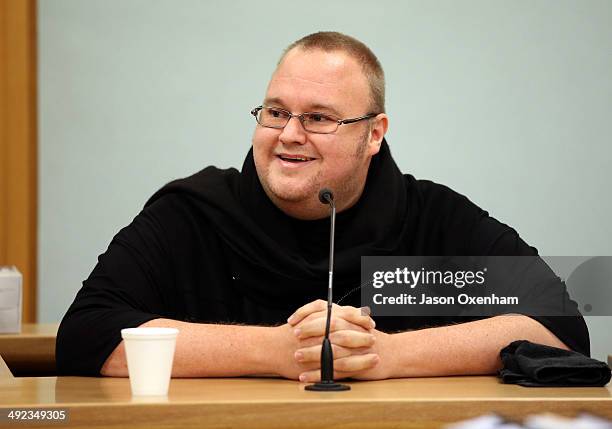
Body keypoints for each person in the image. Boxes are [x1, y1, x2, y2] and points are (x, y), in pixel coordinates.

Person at [56, 31, 589, 383]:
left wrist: (385, 355)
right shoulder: (192, 215)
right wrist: (278, 352)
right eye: (275, 112)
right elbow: (85, 335)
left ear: (374, 133)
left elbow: (561, 326)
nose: (288, 135)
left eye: (318, 118)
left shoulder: (430, 217)